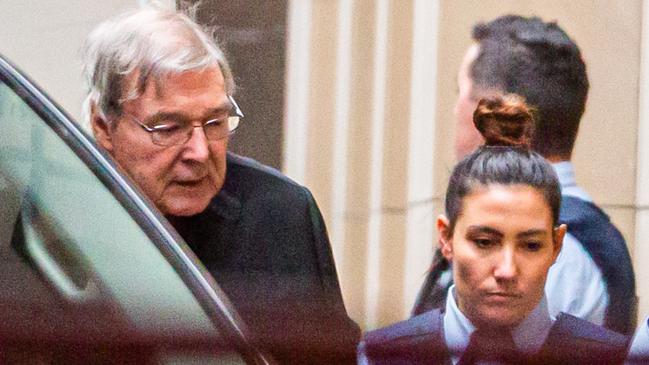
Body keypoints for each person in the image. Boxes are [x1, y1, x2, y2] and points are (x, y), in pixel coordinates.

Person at [81, 5, 360, 364]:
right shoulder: (55, 217)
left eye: (215, 122)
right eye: (168, 128)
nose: (199, 152)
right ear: (103, 126)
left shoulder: (282, 214)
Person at [358, 94, 629, 365]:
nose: (507, 270)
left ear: (556, 245)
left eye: (531, 245)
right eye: (485, 242)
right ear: (446, 238)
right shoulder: (381, 356)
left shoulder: (608, 359)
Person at [413, 14, 636, 335]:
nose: (507, 268)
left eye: (461, 92)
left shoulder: (566, 254)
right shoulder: (582, 237)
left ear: (496, 111)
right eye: (485, 242)